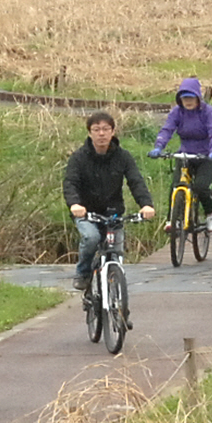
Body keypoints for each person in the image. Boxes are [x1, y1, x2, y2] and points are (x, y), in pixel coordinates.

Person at [62, 111, 155, 292]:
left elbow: (135, 181)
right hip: (87, 213)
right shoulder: (79, 158)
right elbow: (70, 183)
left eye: (106, 129)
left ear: (113, 131)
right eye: (96, 129)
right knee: (91, 238)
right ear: (89, 133)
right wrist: (75, 204)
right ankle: (83, 273)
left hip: (113, 213)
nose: (101, 134)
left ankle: (116, 296)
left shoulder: (123, 156)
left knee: (116, 252)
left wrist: (146, 205)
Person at [149, 77, 212, 231]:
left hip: (206, 156)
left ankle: (211, 213)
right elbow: (167, 129)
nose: (188, 101)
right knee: (176, 185)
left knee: (201, 187)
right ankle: (173, 219)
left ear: (198, 97)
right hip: (185, 155)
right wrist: (159, 147)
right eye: (184, 98)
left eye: (191, 97)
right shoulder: (177, 112)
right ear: (180, 99)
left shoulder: (208, 112)